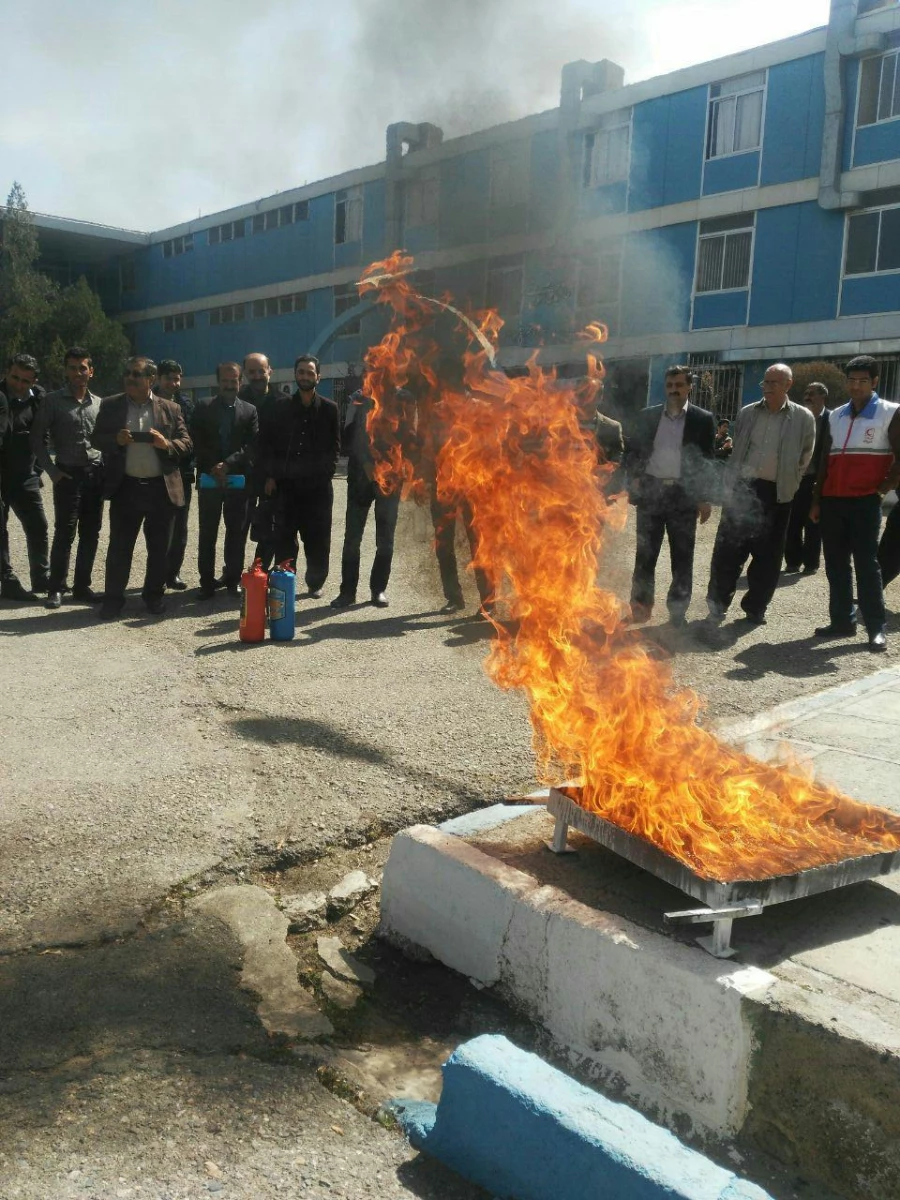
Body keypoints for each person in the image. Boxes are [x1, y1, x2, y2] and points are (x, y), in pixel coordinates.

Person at [705, 363, 815, 628]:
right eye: (765, 383)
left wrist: (791, 481)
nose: (768, 387)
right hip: (742, 489)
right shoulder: (747, 413)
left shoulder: (803, 418)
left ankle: (755, 608)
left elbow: (805, 456)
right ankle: (717, 607)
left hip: (776, 493)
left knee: (768, 556)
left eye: (774, 383)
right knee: (727, 552)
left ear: (788, 385)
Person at [811, 356, 900, 652]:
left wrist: (882, 489)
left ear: (875, 382)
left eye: (863, 381)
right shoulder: (835, 415)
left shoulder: (890, 412)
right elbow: (824, 460)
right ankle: (842, 621)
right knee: (836, 565)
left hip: (864, 503)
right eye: (851, 380)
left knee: (867, 566)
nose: (856, 386)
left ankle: (875, 628)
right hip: (833, 501)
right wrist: (816, 500)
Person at [91, 356, 192, 619]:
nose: (130, 378)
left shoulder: (170, 408)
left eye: (136, 374)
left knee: (159, 550)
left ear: (151, 379)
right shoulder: (112, 405)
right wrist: (115, 439)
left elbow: (186, 443)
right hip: (127, 488)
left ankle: (153, 597)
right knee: (119, 549)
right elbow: (96, 437)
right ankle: (113, 601)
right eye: (127, 374)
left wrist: (166, 445)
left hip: (161, 490)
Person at [623, 365, 715, 627]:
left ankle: (677, 611)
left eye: (679, 385)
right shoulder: (648, 416)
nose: (674, 390)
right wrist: (636, 475)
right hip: (652, 494)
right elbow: (633, 449)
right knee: (645, 555)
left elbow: (707, 461)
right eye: (670, 386)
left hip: (682, 496)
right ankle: (640, 608)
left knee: (682, 556)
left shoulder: (702, 419)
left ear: (689, 387)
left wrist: (704, 496)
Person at [258, 354, 340, 597]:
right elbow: (267, 444)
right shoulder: (280, 408)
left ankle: (315, 583)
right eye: (301, 372)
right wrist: (271, 476)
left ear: (318, 377)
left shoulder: (329, 409)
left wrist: (327, 474)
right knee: (285, 537)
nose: (305, 376)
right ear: (295, 375)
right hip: (287, 486)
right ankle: (286, 581)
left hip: (317, 488)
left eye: (310, 372)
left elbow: (334, 447)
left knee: (317, 538)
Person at [30, 346, 105, 609]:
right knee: (65, 533)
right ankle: (56, 589)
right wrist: (52, 471)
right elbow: (37, 439)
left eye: (82, 368)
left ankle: (82, 587)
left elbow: (105, 440)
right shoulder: (52, 401)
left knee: (91, 532)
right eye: (72, 368)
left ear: (91, 371)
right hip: (67, 476)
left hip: (94, 475)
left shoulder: (99, 403)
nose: (78, 373)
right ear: (66, 371)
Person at [331, 388, 409, 608]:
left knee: (385, 541)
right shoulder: (358, 399)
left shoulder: (405, 399)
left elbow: (409, 437)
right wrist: (366, 464)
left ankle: (378, 589)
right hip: (360, 479)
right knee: (352, 539)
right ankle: (347, 592)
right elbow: (349, 436)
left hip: (390, 479)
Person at [190, 362, 258, 598]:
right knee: (207, 533)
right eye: (225, 381)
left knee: (236, 534)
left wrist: (227, 464)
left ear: (240, 382)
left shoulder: (250, 411)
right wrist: (212, 466)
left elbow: (251, 445)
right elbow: (195, 441)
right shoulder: (203, 406)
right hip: (209, 480)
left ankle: (232, 580)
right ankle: (206, 583)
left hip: (237, 481)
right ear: (218, 382)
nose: (230, 385)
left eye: (234, 380)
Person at [0, 354, 49, 601]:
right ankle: (7, 581)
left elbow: (44, 436)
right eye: (15, 377)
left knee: (38, 525)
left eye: (25, 381)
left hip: (25, 476)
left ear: (34, 381)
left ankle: (41, 579)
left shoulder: (39, 400)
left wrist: (38, 470)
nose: (19, 385)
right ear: (7, 372)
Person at [239, 351, 284, 569]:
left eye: (261, 371)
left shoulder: (283, 403)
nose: (257, 376)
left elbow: (283, 446)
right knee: (237, 527)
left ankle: (259, 569)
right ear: (245, 374)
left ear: (270, 372)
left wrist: (273, 475)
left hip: (269, 477)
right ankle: (232, 573)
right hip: (242, 475)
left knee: (267, 529)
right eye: (251, 371)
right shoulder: (236, 400)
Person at [154, 359, 195, 590]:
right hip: (153, 473)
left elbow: (191, 439)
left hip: (181, 473)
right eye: (169, 377)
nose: (174, 382)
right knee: (159, 527)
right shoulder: (146, 402)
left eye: (177, 378)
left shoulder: (186, 404)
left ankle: (173, 573)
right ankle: (156, 575)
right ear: (158, 379)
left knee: (180, 527)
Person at [784, 382, 829, 575]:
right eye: (806, 393)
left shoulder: (832, 419)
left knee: (813, 522)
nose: (807, 397)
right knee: (792, 521)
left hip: (818, 479)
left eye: (812, 394)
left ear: (823, 397)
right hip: (795, 478)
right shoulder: (797, 418)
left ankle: (811, 563)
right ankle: (793, 561)